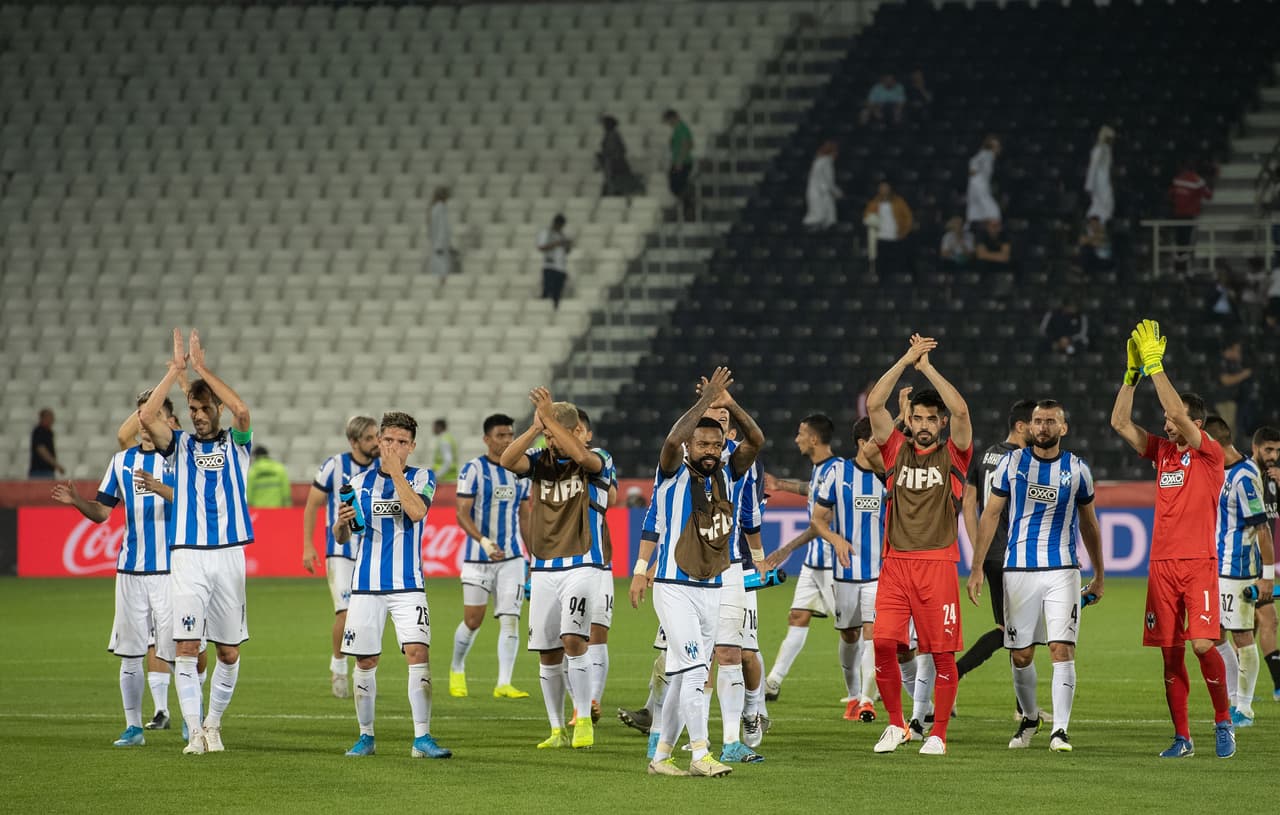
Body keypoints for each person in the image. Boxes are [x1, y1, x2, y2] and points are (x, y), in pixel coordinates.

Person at [629, 367, 764, 777]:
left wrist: (728, 403)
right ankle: (701, 753)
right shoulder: (671, 470)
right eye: (701, 442)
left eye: (715, 442)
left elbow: (756, 440)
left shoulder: (728, 471)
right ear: (690, 445)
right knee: (693, 670)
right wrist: (706, 401)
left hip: (713, 586)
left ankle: (661, 755)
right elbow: (671, 439)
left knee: (683, 673)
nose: (709, 448)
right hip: (674, 587)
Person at [1110, 319, 1236, 758]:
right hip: (1161, 567)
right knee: (1169, 654)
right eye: (1163, 420)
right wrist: (1131, 376)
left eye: (1172, 419)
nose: (1166, 425)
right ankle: (1183, 738)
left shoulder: (1210, 455)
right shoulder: (1162, 453)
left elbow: (1179, 414)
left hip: (1198, 563)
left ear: (1197, 423)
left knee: (1203, 644)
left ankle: (1223, 721)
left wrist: (1156, 366)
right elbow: (1120, 422)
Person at [137, 328, 253, 755]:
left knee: (227, 653)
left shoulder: (238, 446)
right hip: (186, 557)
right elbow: (147, 419)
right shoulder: (178, 445)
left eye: (204, 408)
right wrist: (175, 372)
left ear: (215, 408)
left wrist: (202, 370)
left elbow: (242, 410)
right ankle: (194, 732)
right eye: (192, 408)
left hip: (228, 556)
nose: (198, 415)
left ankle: (213, 723)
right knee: (186, 647)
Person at [967, 400, 1105, 753]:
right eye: (1037, 421)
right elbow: (990, 514)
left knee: (1062, 648)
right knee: (1021, 655)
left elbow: (1089, 524)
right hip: (1018, 571)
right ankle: (1030, 718)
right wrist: (977, 566)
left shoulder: (1077, 470)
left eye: (1050, 422)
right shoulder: (1010, 464)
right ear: (1028, 426)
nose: (1042, 427)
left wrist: (1099, 573)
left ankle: (1060, 730)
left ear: (1064, 428)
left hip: (1062, 570)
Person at [50, 391, 179, 747]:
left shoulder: (178, 460)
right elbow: (103, 512)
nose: (143, 421)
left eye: (151, 414)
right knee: (130, 651)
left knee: (182, 648)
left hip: (172, 570)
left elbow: (191, 499)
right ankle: (134, 727)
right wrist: (78, 502)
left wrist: (158, 488)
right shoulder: (121, 462)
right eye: (140, 414)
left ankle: (192, 724)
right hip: (131, 572)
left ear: (168, 421)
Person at [865, 334, 973, 756]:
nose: (925, 425)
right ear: (909, 420)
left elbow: (962, 409)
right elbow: (875, 405)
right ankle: (896, 725)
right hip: (895, 564)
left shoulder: (955, 456)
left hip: (938, 564)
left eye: (933, 418)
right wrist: (905, 359)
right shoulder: (894, 450)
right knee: (882, 643)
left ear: (941, 423)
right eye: (919, 418)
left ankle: (938, 733)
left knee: (942, 654)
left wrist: (927, 369)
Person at [334, 411, 451, 760]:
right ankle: (365, 736)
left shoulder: (423, 478)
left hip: (408, 585)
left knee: (419, 654)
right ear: (379, 441)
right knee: (365, 660)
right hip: (366, 585)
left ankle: (422, 738)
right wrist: (341, 525)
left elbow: (416, 512)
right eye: (389, 440)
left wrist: (397, 473)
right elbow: (345, 536)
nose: (394, 447)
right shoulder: (357, 484)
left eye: (402, 442)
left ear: (412, 446)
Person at [498, 389, 611, 750]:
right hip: (544, 566)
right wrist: (534, 429)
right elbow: (506, 460)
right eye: (547, 434)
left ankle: (582, 721)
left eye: (552, 432)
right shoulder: (540, 458)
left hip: (583, 562)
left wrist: (551, 421)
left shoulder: (598, 459)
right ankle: (556, 728)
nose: (550, 441)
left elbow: (579, 454)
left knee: (574, 640)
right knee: (547, 652)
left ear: (573, 429)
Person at [758, 415, 843, 701]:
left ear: (814, 439)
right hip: (814, 564)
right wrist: (780, 484)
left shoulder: (837, 470)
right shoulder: (821, 470)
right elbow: (810, 489)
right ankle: (773, 682)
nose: (797, 439)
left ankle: (867, 690)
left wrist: (785, 549)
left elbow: (823, 523)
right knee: (797, 615)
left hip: (835, 564)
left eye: (801, 433)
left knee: (852, 631)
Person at [450, 413, 531, 700]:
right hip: (478, 557)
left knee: (510, 618)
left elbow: (525, 515)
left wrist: (531, 556)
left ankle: (504, 683)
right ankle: (457, 667)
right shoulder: (473, 470)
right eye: (501, 435)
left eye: (510, 435)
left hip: (511, 558)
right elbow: (461, 513)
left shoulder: (521, 470)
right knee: (473, 620)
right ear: (487, 439)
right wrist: (483, 541)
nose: (507, 440)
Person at [810, 417, 885, 722]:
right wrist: (835, 538)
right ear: (862, 443)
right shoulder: (838, 473)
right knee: (849, 635)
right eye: (876, 441)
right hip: (844, 571)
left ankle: (867, 699)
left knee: (872, 634)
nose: (882, 446)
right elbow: (817, 518)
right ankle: (853, 694)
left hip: (878, 572)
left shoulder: (886, 476)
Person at [301, 415, 380, 699]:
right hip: (341, 551)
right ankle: (338, 666)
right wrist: (308, 546)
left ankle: (365, 673)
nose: (376, 443)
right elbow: (312, 506)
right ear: (354, 441)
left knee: (368, 615)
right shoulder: (334, 466)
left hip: (372, 551)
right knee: (345, 613)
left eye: (376, 437)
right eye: (370, 438)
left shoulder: (384, 468)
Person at [1203, 415, 1274, 728]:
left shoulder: (1244, 477)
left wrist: (1267, 577)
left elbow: (1263, 529)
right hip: (1218, 566)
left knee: (1242, 636)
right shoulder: (1222, 470)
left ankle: (1245, 708)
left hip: (1239, 569)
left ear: (1214, 444)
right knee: (1215, 636)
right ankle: (1234, 699)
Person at [957, 400, 1034, 685]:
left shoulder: (986, 455)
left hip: (990, 554)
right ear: (1020, 426)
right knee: (1016, 631)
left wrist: (979, 546)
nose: (1040, 430)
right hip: (1014, 554)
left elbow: (967, 504)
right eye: (1035, 424)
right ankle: (954, 674)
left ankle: (1021, 707)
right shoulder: (1022, 460)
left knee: (1014, 630)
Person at [571, 409, 617, 727]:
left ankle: (593, 701)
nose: (572, 434)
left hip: (598, 563)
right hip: (560, 567)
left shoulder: (600, 456)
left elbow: (609, 496)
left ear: (588, 435)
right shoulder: (550, 464)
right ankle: (578, 706)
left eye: (577, 430)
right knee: (569, 639)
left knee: (597, 634)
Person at [1251, 426, 1280, 699]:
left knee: (1260, 624)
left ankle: (1243, 691)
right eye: (1269, 450)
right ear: (1256, 447)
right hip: (1242, 564)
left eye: (1278, 451)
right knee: (1261, 623)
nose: (1273, 456)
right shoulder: (1244, 475)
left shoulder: (1273, 480)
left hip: (1262, 565)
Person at [1169, 160, 1214, 265]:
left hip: (1177, 214)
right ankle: (1186, 262)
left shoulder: (1177, 179)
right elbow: (1209, 196)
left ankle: (1179, 262)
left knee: (1179, 240)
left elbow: (1171, 195)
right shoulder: (1198, 181)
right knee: (1188, 241)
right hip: (1190, 215)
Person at [863, 180, 914, 273]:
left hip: (895, 237)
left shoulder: (899, 202)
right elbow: (867, 218)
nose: (884, 190)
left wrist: (903, 232)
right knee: (882, 266)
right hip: (880, 238)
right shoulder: (874, 203)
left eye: (885, 187)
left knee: (896, 264)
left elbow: (908, 218)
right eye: (881, 188)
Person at [1214, 340, 1253, 439]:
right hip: (1223, 401)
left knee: (1232, 429)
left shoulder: (1235, 363)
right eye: (1236, 350)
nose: (1238, 353)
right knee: (1225, 427)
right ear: (1228, 350)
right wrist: (1244, 374)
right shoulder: (1222, 362)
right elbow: (1226, 380)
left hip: (1234, 400)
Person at [662, 109, 695, 221]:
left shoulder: (682, 129)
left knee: (677, 185)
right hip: (678, 161)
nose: (668, 123)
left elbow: (687, 145)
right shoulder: (677, 130)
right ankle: (687, 205)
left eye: (669, 120)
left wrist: (680, 161)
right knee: (675, 185)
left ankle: (688, 205)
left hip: (682, 162)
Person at [597, 115, 642, 198]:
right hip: (615, 165)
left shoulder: (612, 135)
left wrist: (603, 156)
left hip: (615, 165)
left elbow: (612, 151)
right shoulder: (613, 134)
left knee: (617, 186)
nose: (603, 126)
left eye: (604, 124)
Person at [802, 141, 842, 230]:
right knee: (821, 217)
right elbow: (828, 182)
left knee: (819, 217)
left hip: (815, 192)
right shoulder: (826, 162)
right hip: (821, 194)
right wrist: (837, 193)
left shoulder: (818, 161)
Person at [536, 214, 572, 310]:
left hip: (561, 268)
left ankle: (554, 312)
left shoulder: (563, 235)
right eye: (559, 225)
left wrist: (567, 244)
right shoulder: (546, 233)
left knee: (557, 294)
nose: (560, 227)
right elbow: (541, 247)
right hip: (550, 266)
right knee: (547, 291)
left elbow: (567, 251)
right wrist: (556, 244)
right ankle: (542, 310)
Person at [966, 135, 1002, 227]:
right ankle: (994, 219)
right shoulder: (986, 154)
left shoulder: (988, 155)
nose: (999, 148)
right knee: (991, 209)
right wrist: (974, 173)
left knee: (975, 206)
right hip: (978, 181)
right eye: (996, 146)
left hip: (977, 181)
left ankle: (971, 223)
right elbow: (973, 162)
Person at [1085, 125, 1115, 224]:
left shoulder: (1107, 149)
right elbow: (1093, 167)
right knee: (1102, 207)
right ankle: (1093, 231)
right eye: (1110, 138)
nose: (1112, 141)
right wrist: (1089, 185)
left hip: (1104, 181)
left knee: (1106, 207)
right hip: (1099, 183)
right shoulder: (1100, 149)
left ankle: (1099, 230)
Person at [29, 408, 64, 478]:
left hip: (47, 471)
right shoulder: (39, 431)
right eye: (50, 417)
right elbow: (41, 449)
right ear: (43, 418)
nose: (53, 420)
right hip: (40, 472)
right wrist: (56, 465)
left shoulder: (48, 432)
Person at [429, 187, 452, 278]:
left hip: (437, 246)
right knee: (442, 274)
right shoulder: (440, 208)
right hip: (440, 248)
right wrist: (440, 245)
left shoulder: (434, 208)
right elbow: (442, 228)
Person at [430, 419, 459, 484]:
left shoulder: (444, 441)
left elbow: (448, 461)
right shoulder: (448, 438)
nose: (433, 429)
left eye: (434, 427)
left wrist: (436, 475)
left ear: (439, 427)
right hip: (449, 478)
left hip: (445, 480)